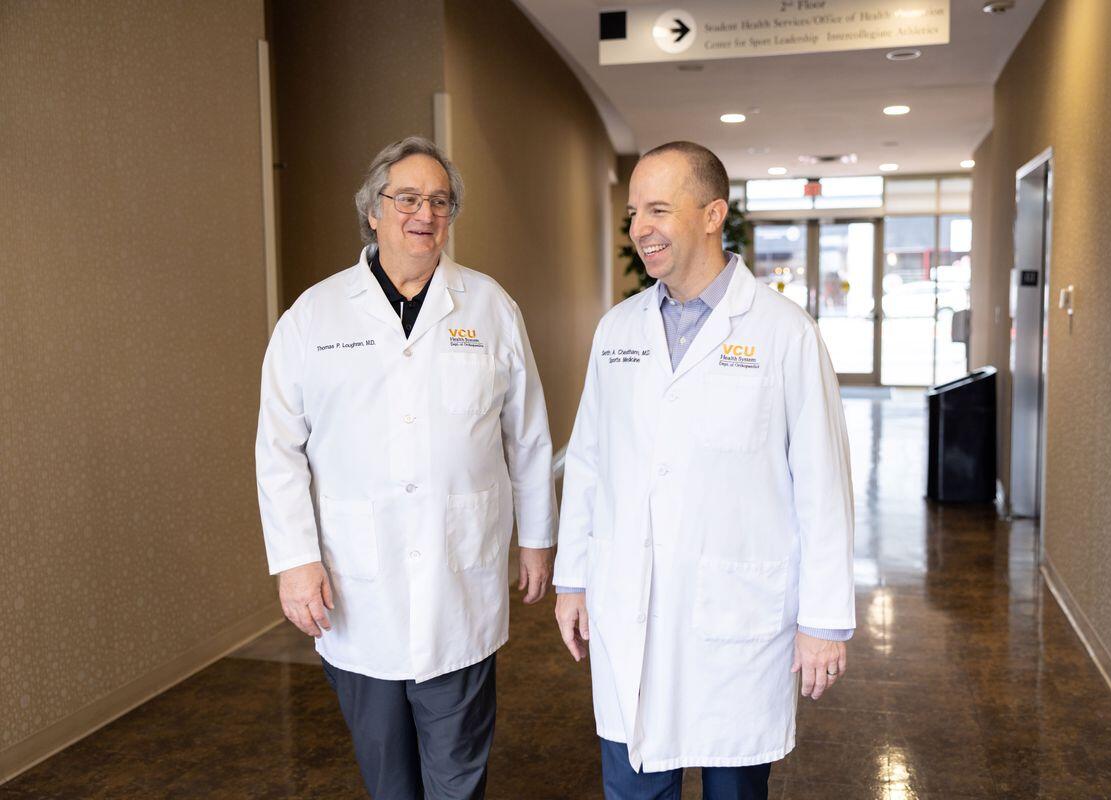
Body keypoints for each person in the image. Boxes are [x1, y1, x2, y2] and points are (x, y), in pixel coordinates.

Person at [256, 137, 557, 800]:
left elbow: (528, 436)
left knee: (457, 772)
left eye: (440, 201)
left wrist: (536, 540)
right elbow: (278, 448)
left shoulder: (489, 307)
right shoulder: (315, 315)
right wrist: (295, 559)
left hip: (461, 579)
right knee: (389, 777)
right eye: (408, 199)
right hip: (357, 583)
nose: (425, 213)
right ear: (374, 211)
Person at [552, 141, 855, 799]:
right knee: (634, 783)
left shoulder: (783, 333)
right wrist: (572, 580)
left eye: (658, 209)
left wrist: (823, 621)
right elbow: (589, 463)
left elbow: (823, 484)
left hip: (737, 614)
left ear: (714, 213)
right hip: (630, 603)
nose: (640, 229)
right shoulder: (617, 332)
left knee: (734, 786)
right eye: (634, 212)